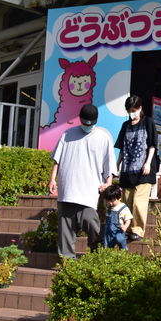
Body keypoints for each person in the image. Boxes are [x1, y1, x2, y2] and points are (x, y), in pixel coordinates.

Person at [48, 104, 116, 258]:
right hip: (67, 191)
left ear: (95, 121)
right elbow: (57, 160)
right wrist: (52, 179)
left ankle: (95, 254)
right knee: (65, 232)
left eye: (89, 124)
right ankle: (67, 262)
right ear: (80, 119)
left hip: (89, 193)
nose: (87, 126)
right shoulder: (68, 134)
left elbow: (109, 165)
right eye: (84, 123)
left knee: (92, 224)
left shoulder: (103, 137)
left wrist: (108, 183)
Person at [115, 95, 158, 242]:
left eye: (134, 110)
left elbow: (152, 145)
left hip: (144, 170)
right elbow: (121, 148)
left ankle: (138, 231)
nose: (132, 113)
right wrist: (117, 164)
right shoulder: (125, 126)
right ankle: (127, 229)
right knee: (127, 201)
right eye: (129, 111)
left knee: (139, 202)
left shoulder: (148, 122)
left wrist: (147, 163)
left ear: (140, 108)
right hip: (127, 169)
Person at [101, 184, 133, 250]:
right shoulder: (109, 207)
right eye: (108, 201)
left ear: (119, 197)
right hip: (108, 231)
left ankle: (124, 250)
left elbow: (128, 219)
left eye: (112, 201)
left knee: (120, 240)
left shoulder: (123, 208)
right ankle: (107, 253)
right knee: (107, 244)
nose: (110, 203)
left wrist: (125, 226)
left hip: (118, 230)